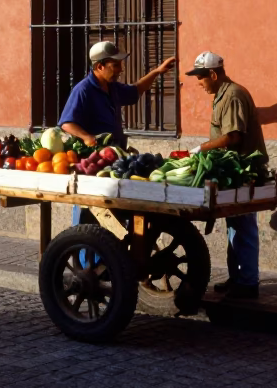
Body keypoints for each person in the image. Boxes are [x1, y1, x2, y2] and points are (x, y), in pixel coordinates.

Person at [59, 40, 175, 227]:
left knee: (113, 212)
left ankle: (109, 251)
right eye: (116, 65)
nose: (121, 69)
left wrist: (156, 72)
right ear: (100, 66)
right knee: (90, 214)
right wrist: (87, 137)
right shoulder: (83, 90)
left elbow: (135, 90)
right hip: (94, 162)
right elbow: (66, 123)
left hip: (114, 158)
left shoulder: (113, 88)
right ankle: (83, 251)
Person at [185, 51, 265, 299]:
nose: (198, 83)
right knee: (235, 226)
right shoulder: (222, 94)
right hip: (234, 170)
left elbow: (233, 136)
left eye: (200, 78)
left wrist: (199, 149)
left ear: (213, 74)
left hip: (244, 171)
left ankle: (248, 283)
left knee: (244, 227)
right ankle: (238, 278)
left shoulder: (232, 95)